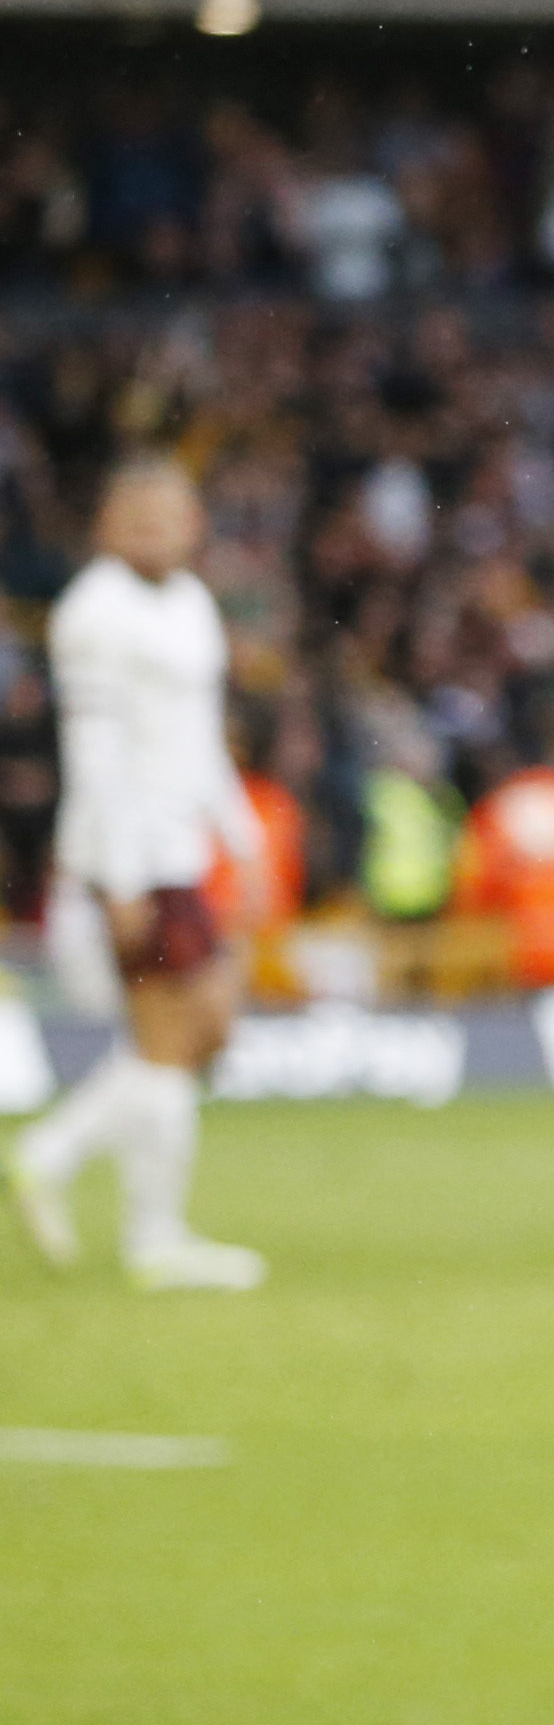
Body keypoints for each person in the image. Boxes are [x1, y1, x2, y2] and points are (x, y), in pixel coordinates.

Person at [12, 458, 268, 1291]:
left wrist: (244, 835)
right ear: (107, 526)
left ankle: (52, 1152)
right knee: (170, 1039)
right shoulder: (94, 613)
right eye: (139, 517)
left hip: (181, 852)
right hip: (129, 856)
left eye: (171, 516)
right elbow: (96, 753)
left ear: (193, 524)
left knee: (207, 1028)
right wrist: (118, 877)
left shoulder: (191, 603)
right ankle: (154, 1240)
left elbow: (197, 737)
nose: (156, 531)